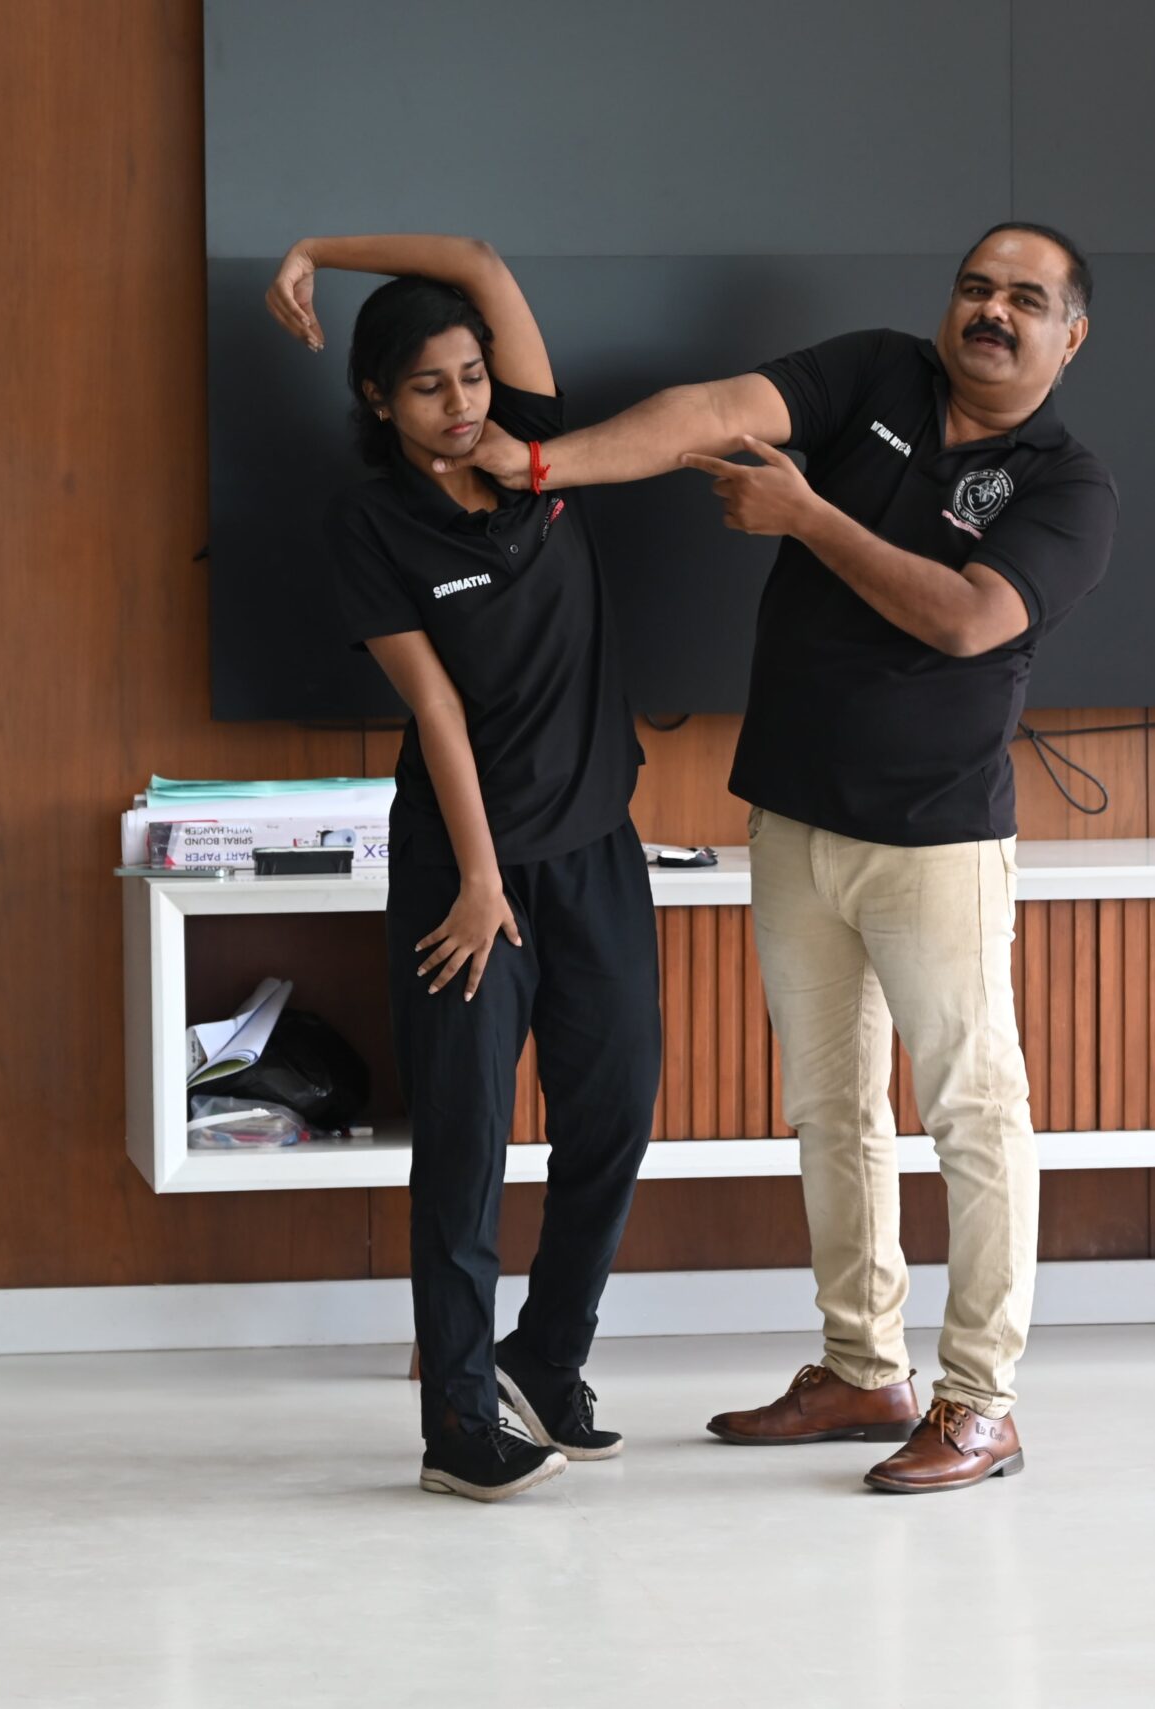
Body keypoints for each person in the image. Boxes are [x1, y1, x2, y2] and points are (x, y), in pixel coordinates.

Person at [434, 222, 1117, 1494]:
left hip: (936, 841)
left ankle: (981, 1401)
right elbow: (706, 412)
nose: (990, 311)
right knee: (829, 1108)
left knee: (972, 1113)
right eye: (975, 286)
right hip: (796, 818)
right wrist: (534, 463)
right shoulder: (877, 372)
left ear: (1068, 335)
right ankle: (863, 1367)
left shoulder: (1068, 487)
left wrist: (807, 517)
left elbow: (969, 618)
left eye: (1025, 299)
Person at [268, 234, 659, 1503]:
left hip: (595, 848)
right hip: (463, 868)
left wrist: (316, 250)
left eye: (472, 375)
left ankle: (545, 1358)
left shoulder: (535, 443)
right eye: (429, 385)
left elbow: (481, 263)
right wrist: (482, 882)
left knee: (614, 1114)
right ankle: (455, 1423)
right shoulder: (369, 522)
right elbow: (435, 709)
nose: (461, 403)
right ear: (378, 399)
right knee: (465, 1139)